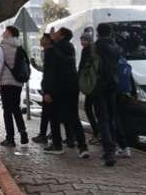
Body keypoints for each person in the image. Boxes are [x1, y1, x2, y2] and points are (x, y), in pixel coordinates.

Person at [42, 27, 89, 158]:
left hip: (57, 89)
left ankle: (57, 145)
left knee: (54, 117)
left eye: (56, 33)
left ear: (61, 36)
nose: (53, 34)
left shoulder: (51, 50)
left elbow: (49, 72)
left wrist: (46, 91)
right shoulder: (70, 48)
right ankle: (83, 147)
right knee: (74, 118)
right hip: (72, 87)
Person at [0, 25, 28, 147]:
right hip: (18, 83)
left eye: (5, 31)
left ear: (9, 33)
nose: (3, 33)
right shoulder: (20, 47)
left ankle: (10, 139)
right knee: (16, 108)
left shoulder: (3, 48)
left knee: (7, 111)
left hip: (6, 83)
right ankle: (23, 132)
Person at [93, 23, 122, 167]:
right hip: (113, 84)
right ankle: (113, 147)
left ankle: (109, 151)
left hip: (99, 85)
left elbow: (90, 65)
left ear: (98, 33)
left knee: (102, 118)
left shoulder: (97, 46)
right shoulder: (116, 47)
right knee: (111, 117)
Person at [78, 32, 100, 144]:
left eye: (85, 40)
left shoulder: (86, 50)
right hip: (97, 84)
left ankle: (97, 132)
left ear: (89, 40)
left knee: (88, 108)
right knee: (96, 109)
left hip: (91, 84)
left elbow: (82, 67)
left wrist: (79, 80)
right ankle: (99, 132)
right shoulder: (96, 49)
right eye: (82, 39)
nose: (83, 42)